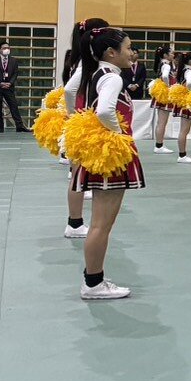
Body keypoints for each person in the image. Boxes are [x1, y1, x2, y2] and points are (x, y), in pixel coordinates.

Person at [69, 24, 143, 300]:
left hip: (101, 153)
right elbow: (104, 111)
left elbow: (75, 97)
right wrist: (118, 136)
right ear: (111, 52)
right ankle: (93, 283)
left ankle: (93, 279)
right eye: (128, 48)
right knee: (101, 224)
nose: (132, 53)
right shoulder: (112, 78)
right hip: (109, 155)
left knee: (99, 223)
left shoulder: (96, 73)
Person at [60, 17, 110, 241]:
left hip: (81, 124)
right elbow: (69, 90)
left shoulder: (83, 58)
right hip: (83, 125)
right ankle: (75, 222)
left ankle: (75, 221)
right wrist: (75, 116)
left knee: (76, 174)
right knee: (77, 175)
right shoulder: (86, 62)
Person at [0, 39, 29, 132]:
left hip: (9, 87)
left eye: (8, 48)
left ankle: (19, 126)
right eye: (4, 48)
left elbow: (15, 73)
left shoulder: (13, 60)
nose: (7, 49)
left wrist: (10, 83)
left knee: (14, 106)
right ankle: (0, 127)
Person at [171, 50, 191, 162]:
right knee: (184, 130)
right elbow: (189, 83)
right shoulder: (189, 71)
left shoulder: (183, 69)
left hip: (185, 101)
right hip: (187, 103)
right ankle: (182, 155)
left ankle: (182, 154)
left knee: (184, 130)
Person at [150, 45, 174, 152]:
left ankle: (159, 145)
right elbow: (164, 76)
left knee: (161, 122)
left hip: (162, 94)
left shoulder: (163, 64)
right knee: (162, 122)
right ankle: (159, 146)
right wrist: (168, 87)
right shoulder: (167, 65)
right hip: (164, 95)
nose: (173, 55)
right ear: (165, 55)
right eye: (171, 53)